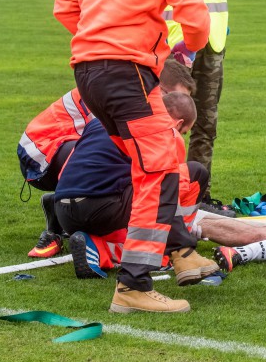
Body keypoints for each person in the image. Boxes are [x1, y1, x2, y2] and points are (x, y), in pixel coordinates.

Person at [53, 0, 216, 314]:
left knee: (154, 159)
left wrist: (101, 41)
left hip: (88, 73)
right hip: (127, 76)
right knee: (161, 168)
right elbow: (197, 23)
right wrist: (165, 50)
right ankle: (134, 285)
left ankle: (181, 250)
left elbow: (64, 8)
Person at [21, 58, 197, 259]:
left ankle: (67, 208)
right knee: (108, 159)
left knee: (117, 163)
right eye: (174, 96)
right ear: (160, 89)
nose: (177, 103)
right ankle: (57, 225)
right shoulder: (124, 95)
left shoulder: (131, 90)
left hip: (50, 148)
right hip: (41, 152)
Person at [50, 93, 210, 281]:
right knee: (194, 174)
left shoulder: (100, 121)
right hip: (104, 207)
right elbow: (166, 187)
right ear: (178, 123)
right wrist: (180, 231)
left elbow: (63, 174)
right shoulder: (166, 132)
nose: (181, 135)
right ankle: (174, 252)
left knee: (132, 209)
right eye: (184, 131)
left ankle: (94, 246)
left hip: (63, 210)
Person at [167, 0, 228, 202]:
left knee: (206, 123)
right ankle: (167, 193)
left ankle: (198, 197)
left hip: (213, 42)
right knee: (171, 123)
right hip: (175, 47)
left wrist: (223, 28)